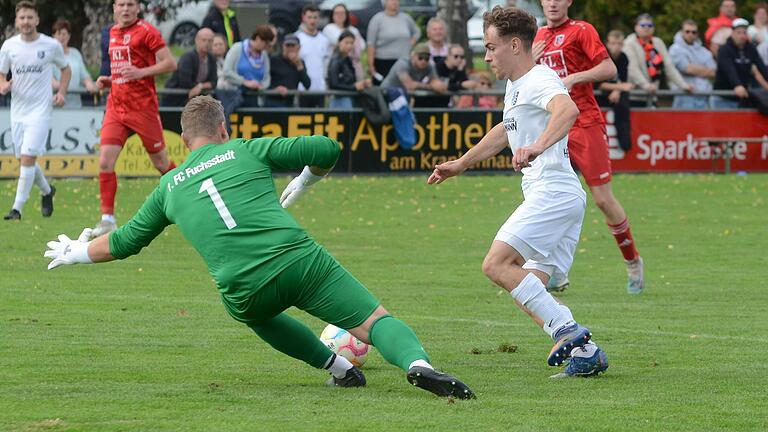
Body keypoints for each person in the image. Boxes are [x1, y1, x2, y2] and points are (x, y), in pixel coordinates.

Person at [43, 95, 476, 400]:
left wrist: (75, 253)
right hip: (296, 258)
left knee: (253, 313)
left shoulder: (168, 187)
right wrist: (304, 180)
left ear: (184, 139)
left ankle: (340, 371)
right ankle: (417, 366)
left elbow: (125, 242)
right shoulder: (245, 149)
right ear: (223, 128)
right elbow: (326, 147)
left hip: (244, 286)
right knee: (374, 322)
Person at [428, 7, 609, 379]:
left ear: (514, 45)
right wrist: (461, 163)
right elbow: (505, 131)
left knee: (495, 265)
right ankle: (588, 354)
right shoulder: (516, 85)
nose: (487, 56)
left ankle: (567, 330)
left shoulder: (540, 79)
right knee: (529, 286)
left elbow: (568, 110)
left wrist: (538, 146)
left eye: (492, 47)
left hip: (553, 193)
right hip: (560, 196)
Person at [533, 0, 644, 294]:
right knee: (551, 196)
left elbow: (608, 68)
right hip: (554, 125)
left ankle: (632, 261)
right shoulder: (537, 36)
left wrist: (574, 78)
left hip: (585, 122)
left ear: (569, 1)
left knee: (603, 200)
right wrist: (529, 64)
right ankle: (555, 270)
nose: (553, 3)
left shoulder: (582, 30)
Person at [93, 0, 178, 237]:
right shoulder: (111, 32)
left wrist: (142, 72)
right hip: (116, 107)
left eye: (130, 4)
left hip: (143, 109)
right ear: (114, 8)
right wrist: (109, 80)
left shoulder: (147, 31)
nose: (125, 9)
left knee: (162, 165)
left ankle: (191, 197)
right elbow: (123, 71)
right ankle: (107, 219)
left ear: (138, 8)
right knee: (104, 162)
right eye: (121, 4)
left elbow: (170, 63)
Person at [0, 1, 70, 221]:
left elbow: (65, 69)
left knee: (28, 157)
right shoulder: (9, 46)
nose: (26, 22)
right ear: (16, 21)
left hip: (40, 111)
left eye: (30, 17)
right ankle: (48, 191)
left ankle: (16, 209)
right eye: (22, 18)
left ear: (37, 20)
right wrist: (3, 85)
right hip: (17, 111)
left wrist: (62, 93)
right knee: (25, 160)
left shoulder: (50, 45)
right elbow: (1, 74)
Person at [622, 13, 693, 106]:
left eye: (650, 25)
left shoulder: (657, 42)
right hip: (634, 95)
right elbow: (632, 69)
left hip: (652, 94)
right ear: (636, 27)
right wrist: (646, 86)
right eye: (643, 25)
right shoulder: (629, 43)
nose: (646, 28)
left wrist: (683, 85)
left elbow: (669, 67)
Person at [713, 18, 768, 108]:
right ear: (732, 33)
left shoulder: (751, 49)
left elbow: (762, 67)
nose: (742, 36)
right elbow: (729, 69)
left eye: (744, 33)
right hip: (723, 97)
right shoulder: (724, 50)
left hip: (741, 97)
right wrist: (737, 85)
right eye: (739, 32)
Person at [220, 25, 274, 113]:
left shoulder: (264, 56)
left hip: (255, 99)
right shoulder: (237, 48)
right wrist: (245, 82)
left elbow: (266, 78)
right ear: (258, 38)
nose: (266, 47)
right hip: (235, 98)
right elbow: (227, 71)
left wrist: (260, 86)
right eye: (266, 44)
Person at [367, 0, 421, 86]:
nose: (395, 2)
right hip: (382, 62)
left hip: (402, 61)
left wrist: (411, 43)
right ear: (385, 2)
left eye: (397, 0)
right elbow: (371, 44)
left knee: (401, 89)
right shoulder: (377, 19)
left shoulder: (405, 18)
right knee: (383, 90)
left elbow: (417, 31)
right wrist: (371, 65)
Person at [596, 30, 633, 152]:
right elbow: (599, 85)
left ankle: (625, 142)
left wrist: (617, 90)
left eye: (619, 44)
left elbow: (623, 80)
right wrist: (619, 88)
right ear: (607, 43)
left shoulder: (623, 57)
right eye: (613, 43)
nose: (616, 47)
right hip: (599, 94)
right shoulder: (601, 57)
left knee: (623, 102)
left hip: (615, 93)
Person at [669, 20, 717, 109]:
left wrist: (695, 69)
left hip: (703, 97)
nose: (690, 34)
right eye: (687, 31)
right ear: (681, 32)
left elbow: (714, 72)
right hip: (683, 96)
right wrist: (704, 70)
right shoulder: (675, 49)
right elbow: (688, 69)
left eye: (693, 32)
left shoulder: (704, 51)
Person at [164, 28, 217, 107]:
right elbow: (185, 82)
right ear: (196, 40)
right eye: (204, 40)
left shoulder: (211, 58)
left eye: (210, 41)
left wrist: (200, 86)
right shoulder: (188, 57)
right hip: (176, 99)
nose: (207, 43)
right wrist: (203, 86)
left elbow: (214, 82)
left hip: (196, 100)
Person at [52, 18, 98, 108]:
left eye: (64, 34)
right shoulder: (50, 55)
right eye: (59, 34)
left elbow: (84, 75)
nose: (62, 37)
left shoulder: (75, 53)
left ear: (69, 36)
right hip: (56, 105)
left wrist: (89, 84)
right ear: (53, 36)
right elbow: (50, 80)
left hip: (76, 105)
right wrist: (60, 86)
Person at [296, 5, 331, 108]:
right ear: (303, 18)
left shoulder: (324, 40)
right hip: (302, 89)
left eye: (315, 17)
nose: (312, 20)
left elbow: (326, 64)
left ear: (319, 18)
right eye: (309, 17)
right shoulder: (297, 38)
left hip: (320, 89)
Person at [380, 43, 447, 95]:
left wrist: (438, 85)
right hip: (386, 93)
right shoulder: (403, 64)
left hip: (403, 95)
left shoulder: (429, 66)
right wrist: (430, 87)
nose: (423, 61)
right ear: (413, 56)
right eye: (420, 58)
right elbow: (410, 86)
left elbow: (437, 84)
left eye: (426, 58)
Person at [327, 31, 372, 109]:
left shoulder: (348, 59)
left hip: (349, 98)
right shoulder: (336, 61)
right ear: (339, 42)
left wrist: (362, 84)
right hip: (339, 99)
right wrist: (354, 87)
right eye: (346, 43)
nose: (349, 46)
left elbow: (351, 80)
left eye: (351, 43)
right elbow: (333, 84)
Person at [264, 34, 311, 108]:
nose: (290, 49)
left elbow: (307, 84)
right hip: (272, 101)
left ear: (298, 48)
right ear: (283, 46)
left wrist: (299, 67)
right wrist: (275, 89)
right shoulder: (273, 60)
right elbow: (263, 82)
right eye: (287, 46)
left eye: (293, 46)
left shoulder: (300, 62)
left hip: (290, 103)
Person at [322, 3, 366, 80]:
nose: (340, 15)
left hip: (351, 68)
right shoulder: (329, 28)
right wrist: (353, 43)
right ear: (332, 15)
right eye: (337, 13)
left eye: (342, 13)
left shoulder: (353, 29)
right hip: (335, 69)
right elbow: (340, 43)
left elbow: (362, 46)